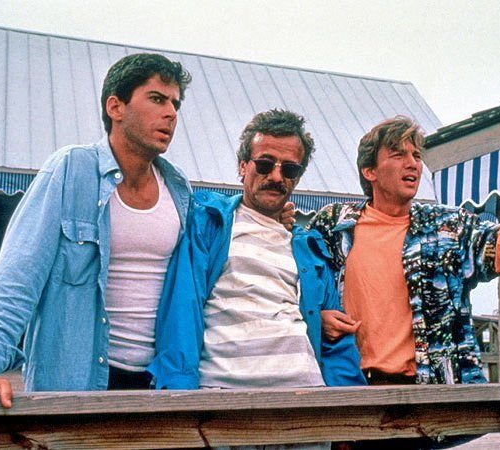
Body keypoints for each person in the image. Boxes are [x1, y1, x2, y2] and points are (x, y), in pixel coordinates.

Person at [308, 115, 500, 449]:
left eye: (416, 155)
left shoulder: (447, 228)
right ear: (369, 171)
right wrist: (317, 317)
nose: (412, 163)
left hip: (425, 400)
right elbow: (297, 283)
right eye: (398, 154)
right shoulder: (333, 226)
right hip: (349, 395)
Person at [0, 53, 193, 408]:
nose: (171, 113)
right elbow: (16, 278)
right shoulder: (71, 169)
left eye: (175, 103)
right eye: (157, 99)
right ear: (115, 107)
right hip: (77, 380)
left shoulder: (179, 188)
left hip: (159, 384)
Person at [147, 109, 366, 392]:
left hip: (307, 399)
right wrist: (179, 394)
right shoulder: (209, 223)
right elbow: (182, 312)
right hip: (224, 398)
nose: (276, 176)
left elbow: (337, 340)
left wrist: (348, 407)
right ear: (242, 167)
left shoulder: (309, 248)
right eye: (264, 164)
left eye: (289, 169)